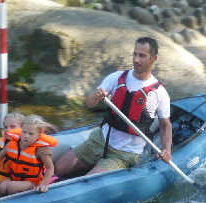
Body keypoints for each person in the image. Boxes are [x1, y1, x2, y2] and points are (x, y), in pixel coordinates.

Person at [54, 36, 172, 177]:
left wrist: (166, 150)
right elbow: (88, 103)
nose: (136, 60)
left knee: (89, 180)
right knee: (59, 168)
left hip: (125, 153)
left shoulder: (159, 93)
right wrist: (95, 96)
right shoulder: (116, 77)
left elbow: (165, 125)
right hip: (100, 139)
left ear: (154, 58)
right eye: (134, 54)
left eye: (142, 56)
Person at [0, 114, 57, 197]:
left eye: (31, 134)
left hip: (32, 182)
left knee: (13, 186)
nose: (26, 136)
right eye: (24, 132)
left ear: (38, 135)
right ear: (21, 130)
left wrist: (43, 184)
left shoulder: (40, 150)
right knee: (0, 187)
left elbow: (50, 168)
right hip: (15, 178)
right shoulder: (12, 144)